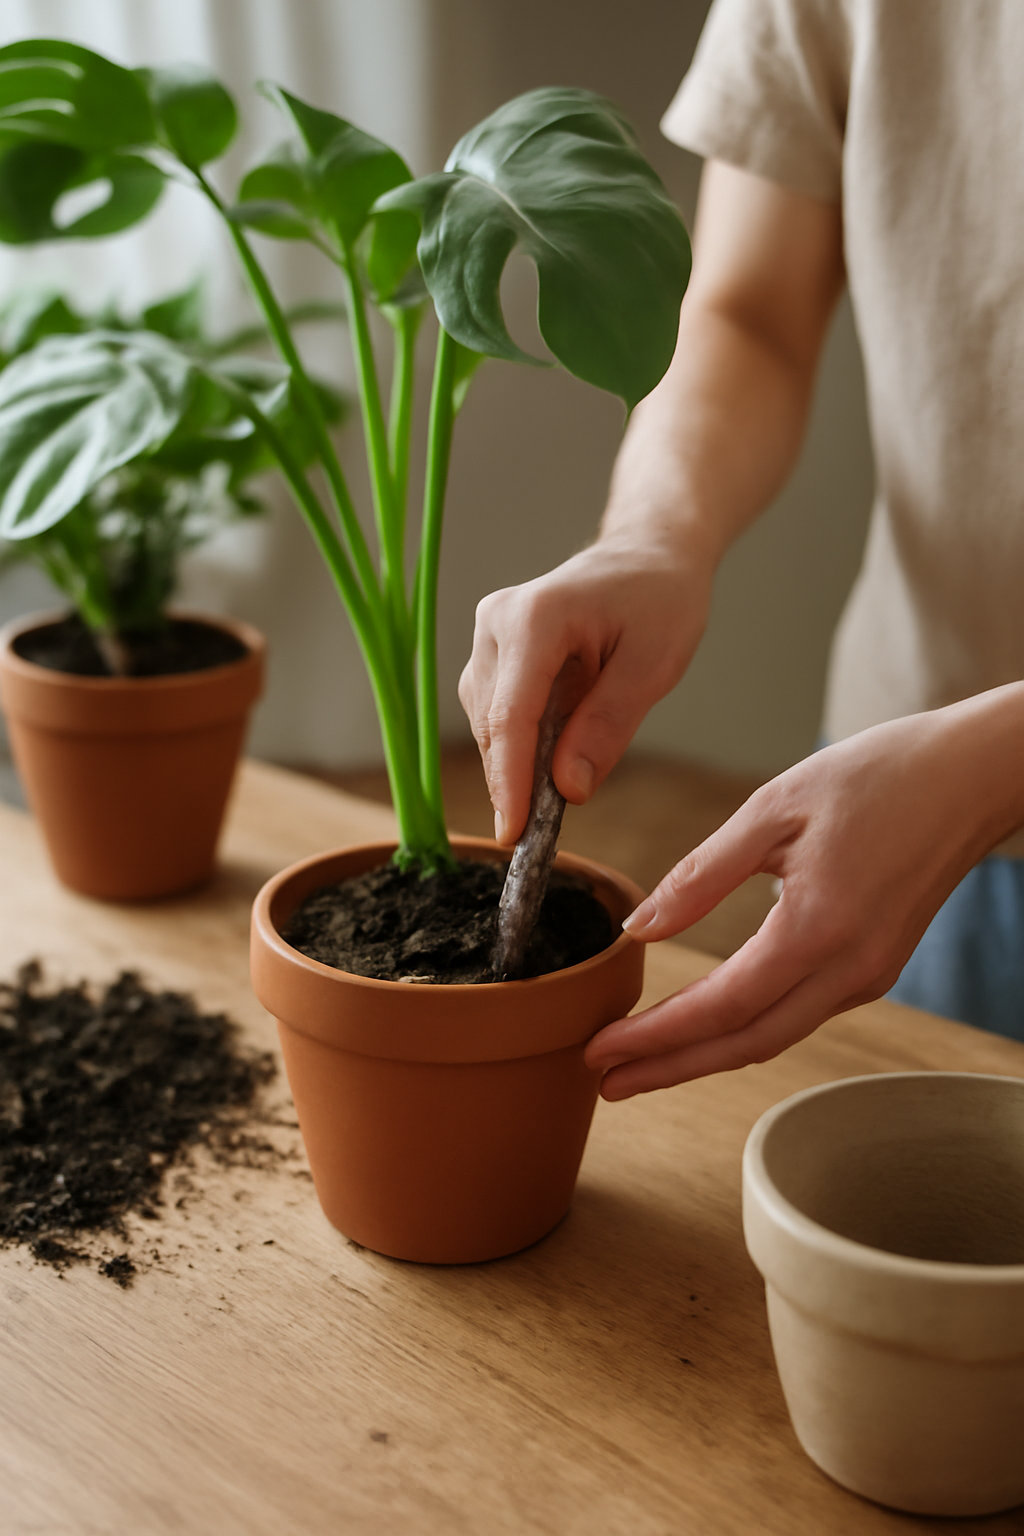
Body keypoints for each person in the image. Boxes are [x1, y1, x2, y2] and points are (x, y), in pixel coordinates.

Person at [458, 0, 1024, 1099]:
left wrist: (996, 765)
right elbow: (751, 312)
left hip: (932, 796)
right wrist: (653, 536)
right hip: (903, 795)